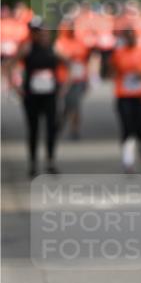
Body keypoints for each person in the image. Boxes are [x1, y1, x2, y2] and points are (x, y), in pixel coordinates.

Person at [10, 17, 67, 176]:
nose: (37, 34)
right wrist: (16, 88)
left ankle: (50, 161)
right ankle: (33, 163)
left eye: (39, 31)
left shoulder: (54, 48)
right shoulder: (27, 48)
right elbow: (10, 66)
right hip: (32, 96)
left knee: (51, 128)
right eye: (34, 31)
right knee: (33, 129)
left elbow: (69, 64)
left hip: (50, 95)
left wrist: (64, 87)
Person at [109, 27, 141, 171]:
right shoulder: (118, 53)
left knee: (140, 128)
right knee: (127, 126)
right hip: (123, 96)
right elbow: (111, 70)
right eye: (128, 37)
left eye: (133, 36)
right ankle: (127, 159)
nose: (130, 39)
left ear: (136, 37)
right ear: (125, 39)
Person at [55, 18, 91, 139]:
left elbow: (85, 61)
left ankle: (75, 129)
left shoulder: (80, 42)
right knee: (68, 104)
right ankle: (61, 121)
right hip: (64, 79)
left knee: (75, 103)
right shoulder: (59, 42)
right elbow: (57, 58)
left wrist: (87, 78)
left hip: (79, 78)